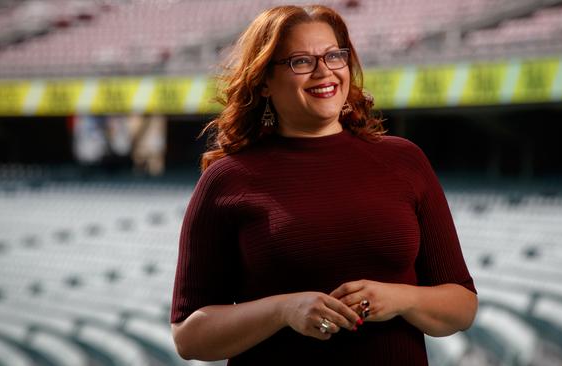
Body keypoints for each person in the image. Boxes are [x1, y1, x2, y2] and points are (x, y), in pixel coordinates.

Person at [171, 4, 477, 365]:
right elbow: (189, 336)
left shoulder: (405, 160)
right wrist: (283, 310)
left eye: (334, 56)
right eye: (301, 61)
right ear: (264, 80)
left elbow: (462, 306)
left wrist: (401, 299)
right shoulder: (226, 180)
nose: (324, 71)